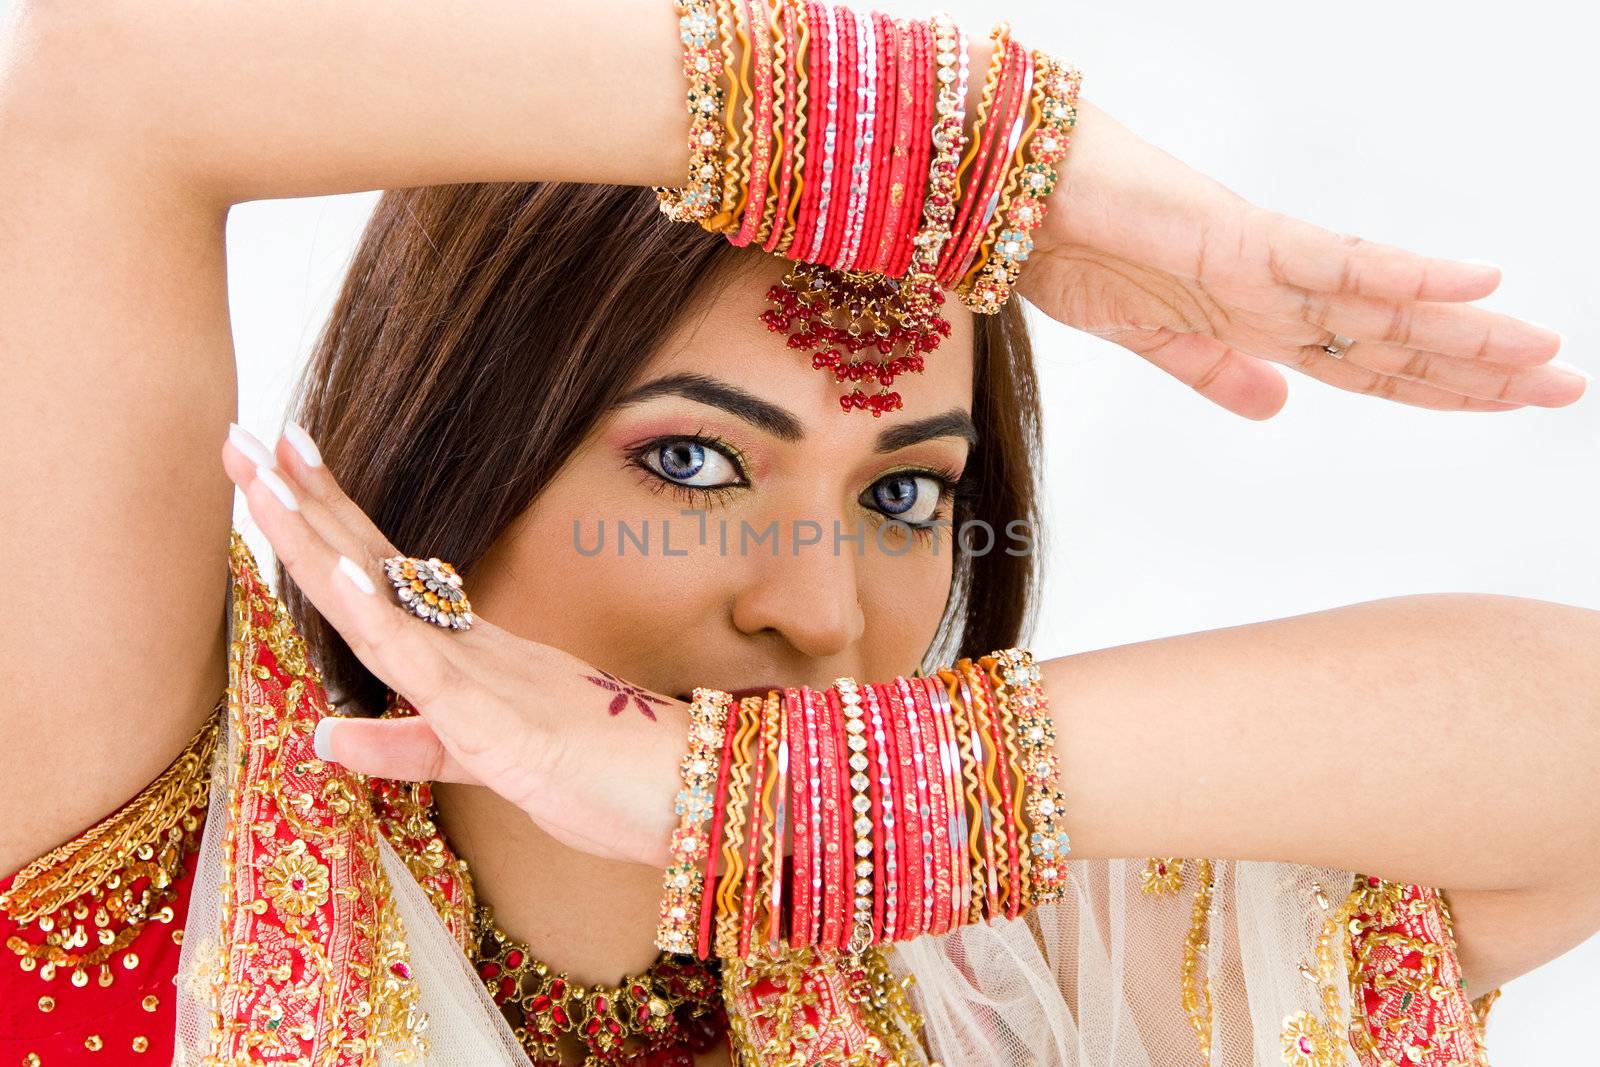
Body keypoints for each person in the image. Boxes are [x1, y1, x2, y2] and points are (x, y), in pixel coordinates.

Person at [1, 0, 1595, 1065]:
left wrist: (731, 800)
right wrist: (979, 143)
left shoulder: (996, 975)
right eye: (692, 461)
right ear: (455, 444)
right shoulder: (157, 838)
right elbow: (109, 83)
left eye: (905, 494)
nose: (818, 610)